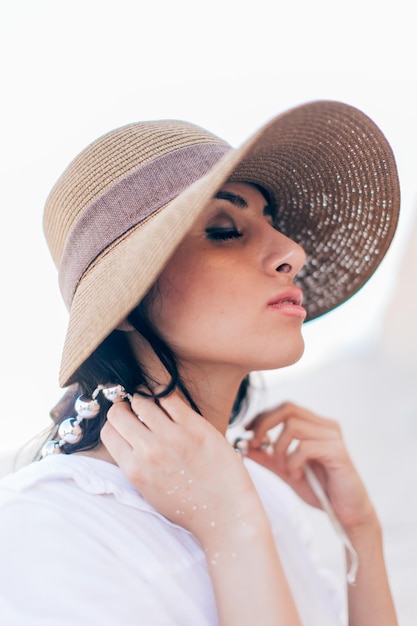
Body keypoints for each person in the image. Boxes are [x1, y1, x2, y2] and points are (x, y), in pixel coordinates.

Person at [0, 100, 400, 626]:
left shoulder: (269, 502)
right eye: (224, 229)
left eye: (272, 222)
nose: (291, 252)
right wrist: (231, 529)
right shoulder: (45, 527)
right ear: (127, 299)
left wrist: (359, 534)